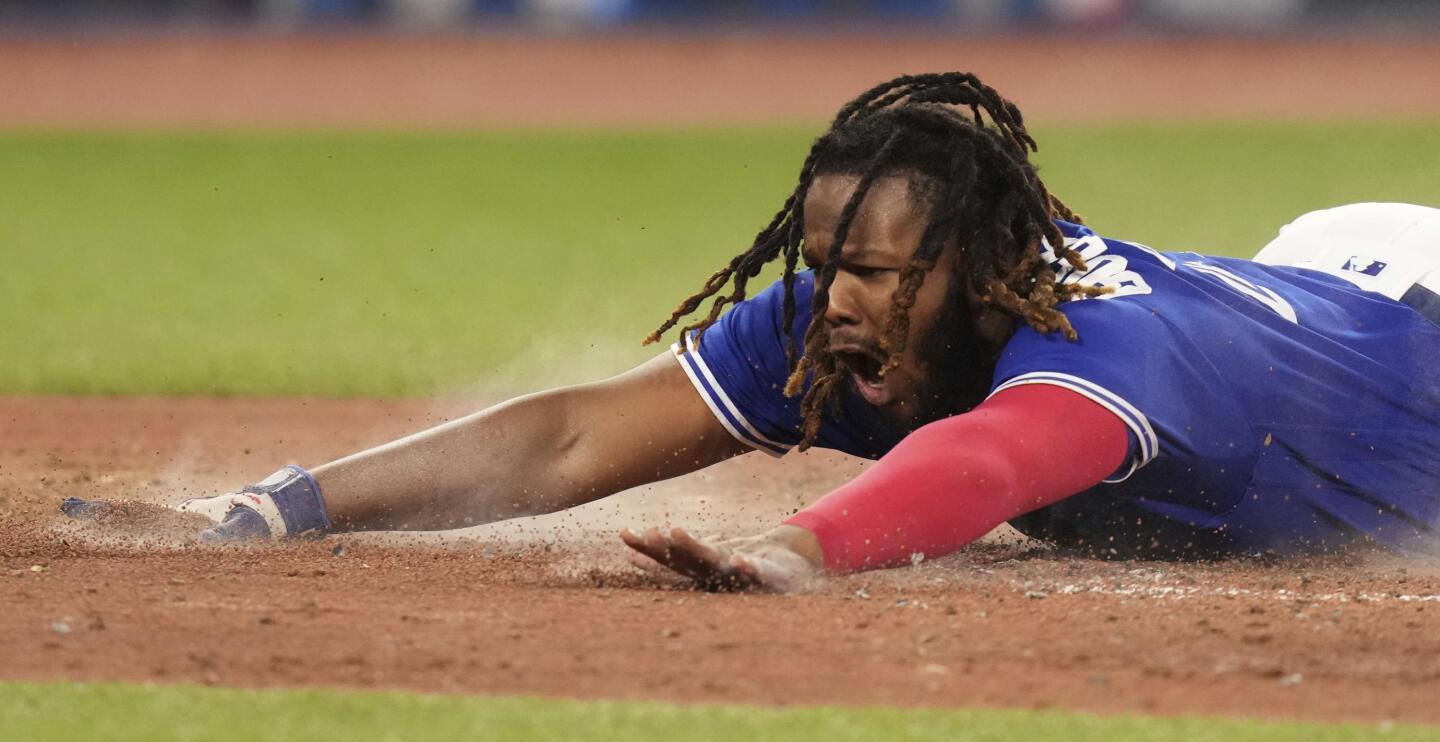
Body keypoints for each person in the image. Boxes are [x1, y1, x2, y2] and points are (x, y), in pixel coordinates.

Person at [66, 73, 1440, 591]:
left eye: (879, 270)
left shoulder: (1105, 357)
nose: (838, 296)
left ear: (978, 275)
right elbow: (566, 437)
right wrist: (273, 507)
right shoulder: (850, 314)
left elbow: (984, 470)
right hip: (1318, 282)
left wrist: (793, 548)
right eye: (827, 259)